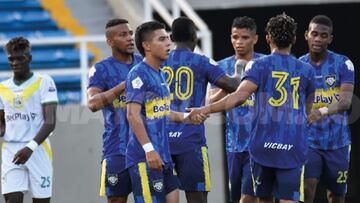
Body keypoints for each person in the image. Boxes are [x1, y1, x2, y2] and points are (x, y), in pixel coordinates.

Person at [188, 13, 316, 203]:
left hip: (261, 147)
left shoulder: (258, 65)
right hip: (291, 146)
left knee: (259, 199)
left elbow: (239, 96)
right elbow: (307, 112)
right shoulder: (307, 70)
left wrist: (204, 110)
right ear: (295, 39)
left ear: (267, 38)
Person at [162, 16, 242, 203]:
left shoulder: (159, 61)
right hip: (191, 140)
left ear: (171, 38)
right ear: (194, 37)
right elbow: (232, 85)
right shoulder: (202, 61)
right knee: (197, 197)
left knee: (164, 198)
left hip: (162, 140)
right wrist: (239, 71)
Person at [125, 21, 206, 203]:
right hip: (144, 158)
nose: (168, 43)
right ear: (146, 46)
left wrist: (187, 117)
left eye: (168, 38)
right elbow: (132, 114)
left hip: (164, 157)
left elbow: (161, 111)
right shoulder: (138, 74)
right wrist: (149, 150)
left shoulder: (160, 73)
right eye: (162, 39)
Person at [207, 16, 264, 203]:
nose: (238, 42)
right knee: (237, 197)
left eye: (245, 38)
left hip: (259, 143)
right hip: (233, 144)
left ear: (255, 38)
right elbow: (210, 102)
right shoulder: (222, 66)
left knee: (249, 198)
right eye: (235, 37)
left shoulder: (266, 63)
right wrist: (230, 83)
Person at [299, 15, 354, 203]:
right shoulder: (299, 66)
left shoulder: (343, 63)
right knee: (306, 190)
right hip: (309, 142)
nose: (318, 39)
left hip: (338, 142)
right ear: (306, 35)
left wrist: (320, 111)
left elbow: (346, 103)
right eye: (314, 34)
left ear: (330, 39)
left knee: (336, 196)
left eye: (323, 35)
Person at [87, 19, 143, 203]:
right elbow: (93, 104)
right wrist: (122, 86)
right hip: (116, 149)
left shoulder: (145, 65)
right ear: (110, 41)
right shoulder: (101, 69)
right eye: (123, 35)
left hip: (147, 147)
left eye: (130, 33)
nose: (130, 38)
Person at [0, 37, 58, 203]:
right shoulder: (2, 88)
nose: (15, 62)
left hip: (37, 149)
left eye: (20, 58)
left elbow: (50, 122)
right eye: (11, 59)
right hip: (11, 150)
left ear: (29, 58)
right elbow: (2, 124)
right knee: (13, 200)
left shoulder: (44, 82)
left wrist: (29, 148)